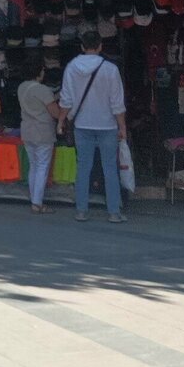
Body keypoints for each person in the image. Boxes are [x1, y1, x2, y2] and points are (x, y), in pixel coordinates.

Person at [58, 29, 127, 223]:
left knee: (83, 168)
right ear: (100, 46)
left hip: (82, 125)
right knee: (110, 168)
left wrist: (62, 121)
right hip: (107, 126)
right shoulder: (110, 69)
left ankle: (81, 210)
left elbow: (66, 100)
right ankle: (113, 212)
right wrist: (122, 127)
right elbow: (117, 103)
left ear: (82, 46)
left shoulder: (72, 67)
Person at [18, 58, 60, 214]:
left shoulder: (21, 87)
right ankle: (37, 203)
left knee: (33, 166)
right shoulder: (42, 90)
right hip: (42, 131)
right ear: (38, 72)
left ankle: (34, 198)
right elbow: (54, 112)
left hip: (27, 131)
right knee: (42, 166)